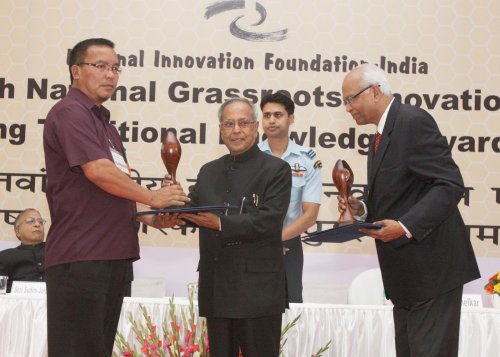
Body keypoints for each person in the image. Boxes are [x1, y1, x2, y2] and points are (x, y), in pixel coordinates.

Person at [43, 38, 189, 357]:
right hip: (81, 258)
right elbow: (97, 171)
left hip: (112, 256)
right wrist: (153, 196)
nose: (110, 74)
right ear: (76, 71)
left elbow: (114, 191)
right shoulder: (70, 112)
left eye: (115, 67)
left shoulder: (105, 125)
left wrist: (151, 215)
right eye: (100, 66)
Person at [339, 63, 480, 357]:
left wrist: (404, 227)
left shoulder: (412, 121)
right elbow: (398, 196)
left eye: (351, 98)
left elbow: (449, 184)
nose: (348, 108)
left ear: (375, 92)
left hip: (432, 271)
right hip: (407, 279)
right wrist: (361, 208)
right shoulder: (381, 134)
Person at [180, 98, 291, 357]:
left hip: (257, 292)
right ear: (220, 130)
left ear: (255, 127)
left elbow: (269, 219)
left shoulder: (276, 169)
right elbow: (192, 210)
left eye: (243, 123)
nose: (236, 130)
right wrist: (170, 210)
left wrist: (219, 223)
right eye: (228, 124)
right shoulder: (208, 171)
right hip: (217, 287)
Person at [258, 92, 322, 303]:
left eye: (278, 115)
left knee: (290, 309)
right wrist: (265, 242)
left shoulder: (308, 160)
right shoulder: (250, 157)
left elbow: (310, 215)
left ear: (291, 118)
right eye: (266, 115)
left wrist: (277, 239)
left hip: (289, 244)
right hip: (252, 243)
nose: (271, 120)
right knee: (251, 308)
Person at [0, 208, 46, 293]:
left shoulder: (57, 251)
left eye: (40, 221)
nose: (37, 224)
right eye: (30, 221)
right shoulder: (4, 257)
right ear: (17, 231)